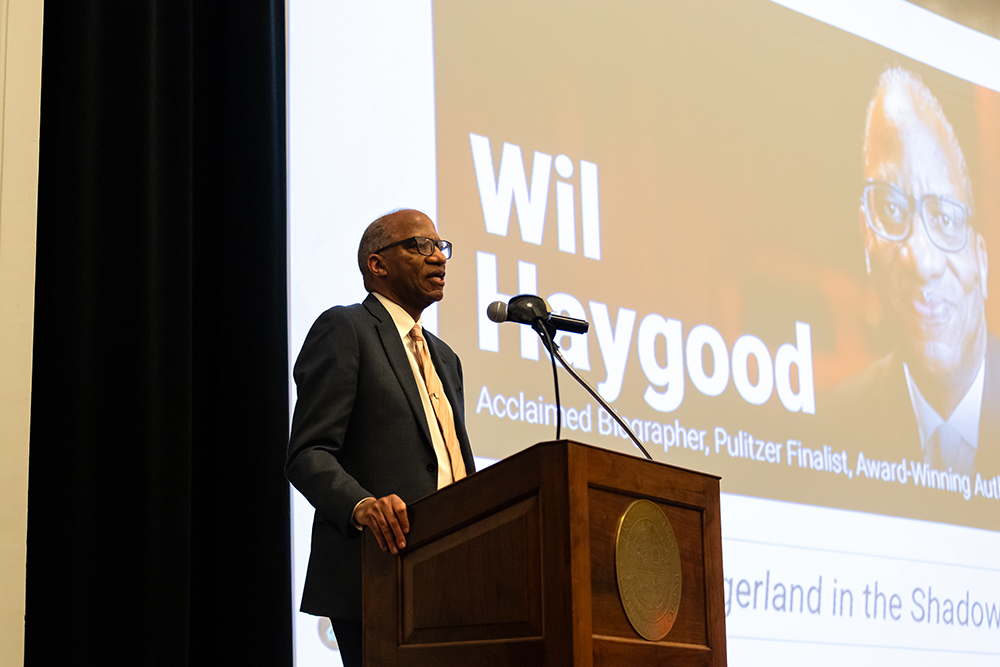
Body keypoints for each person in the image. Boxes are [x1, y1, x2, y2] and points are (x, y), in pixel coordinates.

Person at [286, 208, 476, 667]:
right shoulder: (346, 329)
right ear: (377, 264)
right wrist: (363, 505)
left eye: (441, 246)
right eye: (420, 245)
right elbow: (308, 453)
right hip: (380, 569)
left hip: (455, 573)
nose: (439, 258)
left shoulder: (446, 358)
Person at [830, 67, 1000, 478]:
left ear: (982, 258)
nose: (920, 262)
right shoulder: (833, 427)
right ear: (865, 233)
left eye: (944, 217)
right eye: (891, 209)